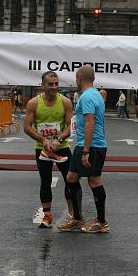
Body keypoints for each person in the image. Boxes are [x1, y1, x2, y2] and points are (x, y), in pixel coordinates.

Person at [60, 65, 109, 233]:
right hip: (85, 144)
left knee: (94, 180)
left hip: (92, 145)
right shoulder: (95, 94)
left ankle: (101, 222)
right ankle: (78, 218)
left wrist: (86, 151)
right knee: (72, 177)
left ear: (79, 77)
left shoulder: (88, 97)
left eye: (76, 77)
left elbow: (90, 123)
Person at [23, 71, 74, 228]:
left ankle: (72, 215)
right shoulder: (33, 103)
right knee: (45, 181)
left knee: (71, 179)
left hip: (62, 147)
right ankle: (47, 216)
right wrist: (43, 139)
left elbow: (70, 127)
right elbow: (27, 127)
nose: (54, 87)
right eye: (50, 84)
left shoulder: (65, 102)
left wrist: (59, 139)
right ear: (43, 85)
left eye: (56, 83)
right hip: (42, 148)